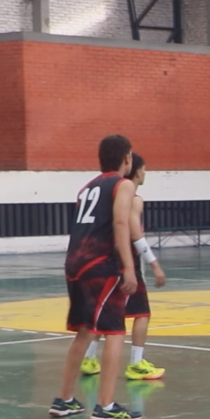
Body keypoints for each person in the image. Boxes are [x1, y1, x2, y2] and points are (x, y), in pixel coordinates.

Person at [49, 134, 142, 419]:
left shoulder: (86, 188)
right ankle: (105, 405)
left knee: (86, 331)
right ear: (127, 158)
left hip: (74, 263)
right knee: (115, 331)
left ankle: (64, 399)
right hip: (100, 264)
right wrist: (129, 267)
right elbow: (120, 222)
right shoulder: (123, 185)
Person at [80, 153, 167, 380]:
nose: (145, 173)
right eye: (144, 169)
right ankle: (136, 363)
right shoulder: (134, 199)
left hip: (103, 260)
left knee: (104, 312)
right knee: (142, 313)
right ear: (137, 171)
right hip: (125, 261)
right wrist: (154, 264)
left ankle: (89, 358)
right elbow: (135, 234)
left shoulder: (110, 195)